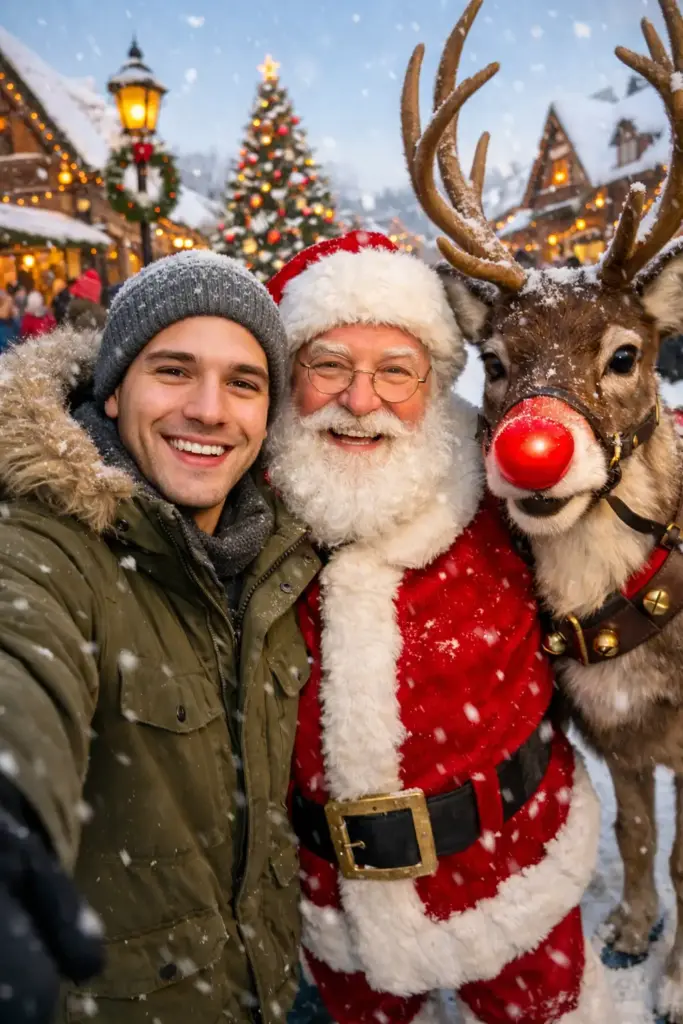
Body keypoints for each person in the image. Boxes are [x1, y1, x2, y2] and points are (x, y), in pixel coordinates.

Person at [265, 231, 613, 1024]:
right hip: (331, 901)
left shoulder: (510, 493)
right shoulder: (239, 513)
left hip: (514, 873)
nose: (361, 401)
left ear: (436, 383)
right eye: (328, 366)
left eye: (395, 371)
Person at [0, 250, 319, 1024]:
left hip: (272, 987)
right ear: (112, 394)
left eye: (243, 383)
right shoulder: (45, 541)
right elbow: (20, 656)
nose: (210, 410)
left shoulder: (283, 551)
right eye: (174, 371)